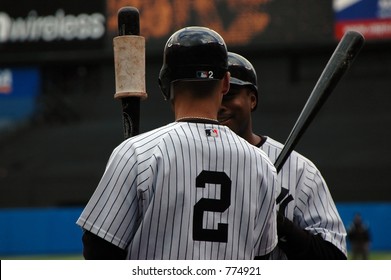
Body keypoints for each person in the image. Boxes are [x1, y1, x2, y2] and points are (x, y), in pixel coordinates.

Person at [76, 27, 279, 260]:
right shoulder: (262, 164)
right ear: (225, 83)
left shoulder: (136, 153)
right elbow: (263, 259)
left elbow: (98, 250)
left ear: (164, 84)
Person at [217, 52, 347, 259]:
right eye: (211, 96)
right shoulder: (178, 163)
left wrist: (279, 224)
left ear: (252, 100)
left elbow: (334, 258)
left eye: (229, 94)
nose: (219, 104)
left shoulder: (300, 171)